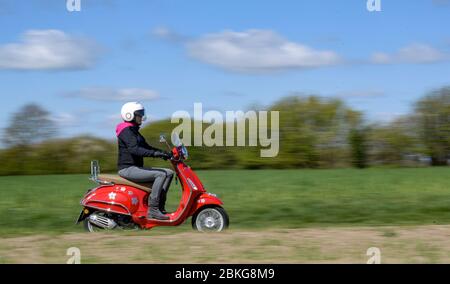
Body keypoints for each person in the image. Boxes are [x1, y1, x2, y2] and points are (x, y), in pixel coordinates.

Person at [116, 102, 174, 220]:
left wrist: (163, 153)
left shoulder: (134, 131)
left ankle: (160, 207)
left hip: (135, 168)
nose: (142, 117)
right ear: (129, 115)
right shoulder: (126, 131)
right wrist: (155, 154)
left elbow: (146, 147)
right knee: (160, 174)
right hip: (127, 169)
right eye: (139, 114)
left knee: (169, 173)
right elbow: (135, 150)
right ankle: (153, 210)